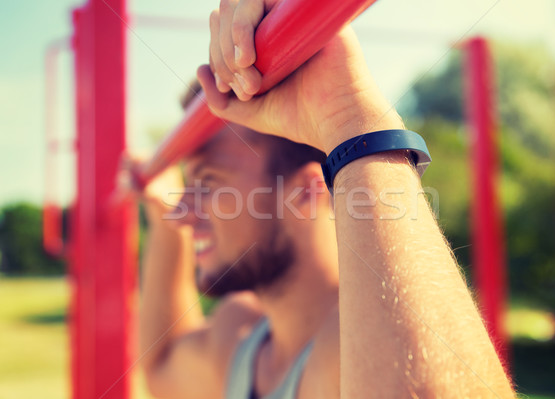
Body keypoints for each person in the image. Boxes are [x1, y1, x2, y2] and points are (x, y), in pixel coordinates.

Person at [129, 1, 515, 398]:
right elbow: (162, 372)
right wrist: (161, 222)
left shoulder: (348, 351)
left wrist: (348, 116)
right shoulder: (241, 338)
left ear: (308, 190)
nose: (183, 213)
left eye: (208, 184)